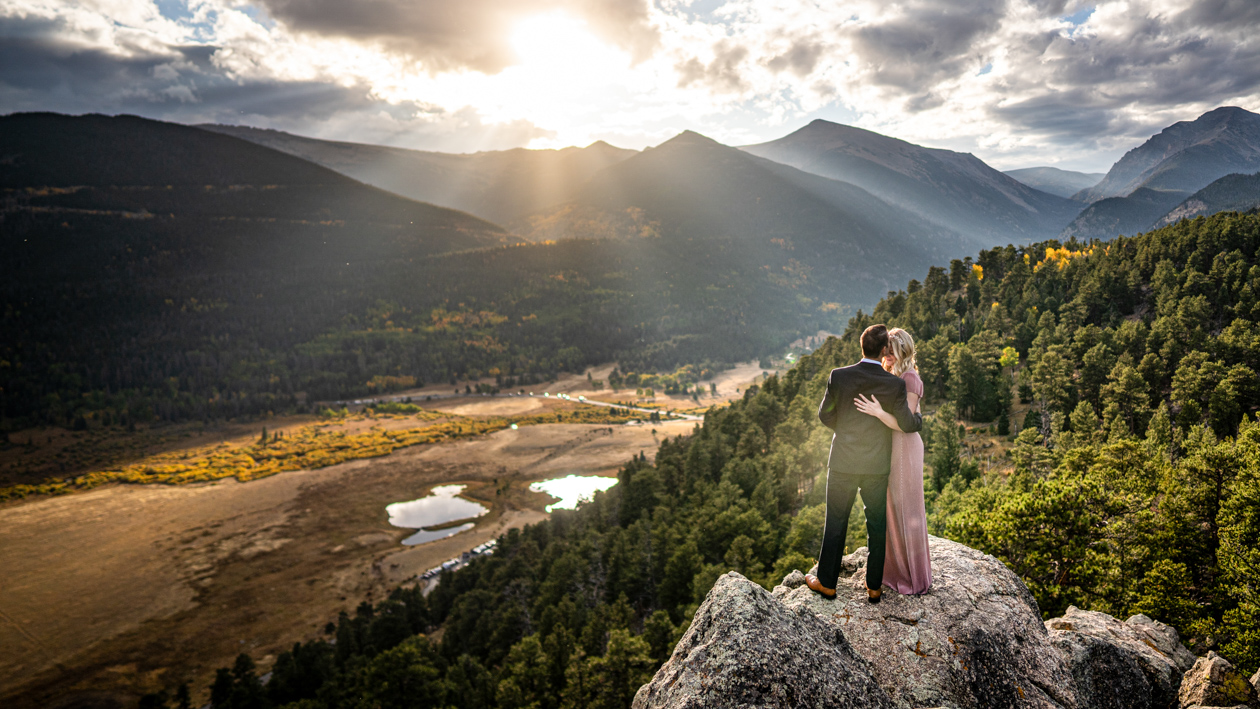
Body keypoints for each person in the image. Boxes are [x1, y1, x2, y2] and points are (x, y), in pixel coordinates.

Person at [807, 324, 922, 603]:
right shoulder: (893, 384)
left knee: (836, 521)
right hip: (876, 465)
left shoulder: (839, 376)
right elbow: (908, 423)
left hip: (844, 461)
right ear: (884, 350)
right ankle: (874, 587)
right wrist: (919, 421)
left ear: (862, 346)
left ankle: (828, 583)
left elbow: (825, 416)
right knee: (877, 525)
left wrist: (845, 430)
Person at [853, 327, 932, 595]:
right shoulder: (894, 376)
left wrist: (876, 412)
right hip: (892, 447)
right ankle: (893, 569)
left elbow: (905, 424)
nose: (885, 355)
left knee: (906, 508)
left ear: (899, 352)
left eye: (889, 351)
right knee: (891, 506)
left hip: (905, 448)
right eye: (885, 350)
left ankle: (912, 576)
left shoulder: (910, 377)